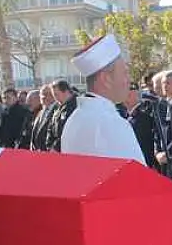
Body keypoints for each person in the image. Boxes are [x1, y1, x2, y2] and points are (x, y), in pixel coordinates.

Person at [61, 34, 147, 164]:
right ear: (106, 79)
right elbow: (139, 179)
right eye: (124, 72)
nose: (128, 79)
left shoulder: (74, 120)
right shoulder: (111, 123)